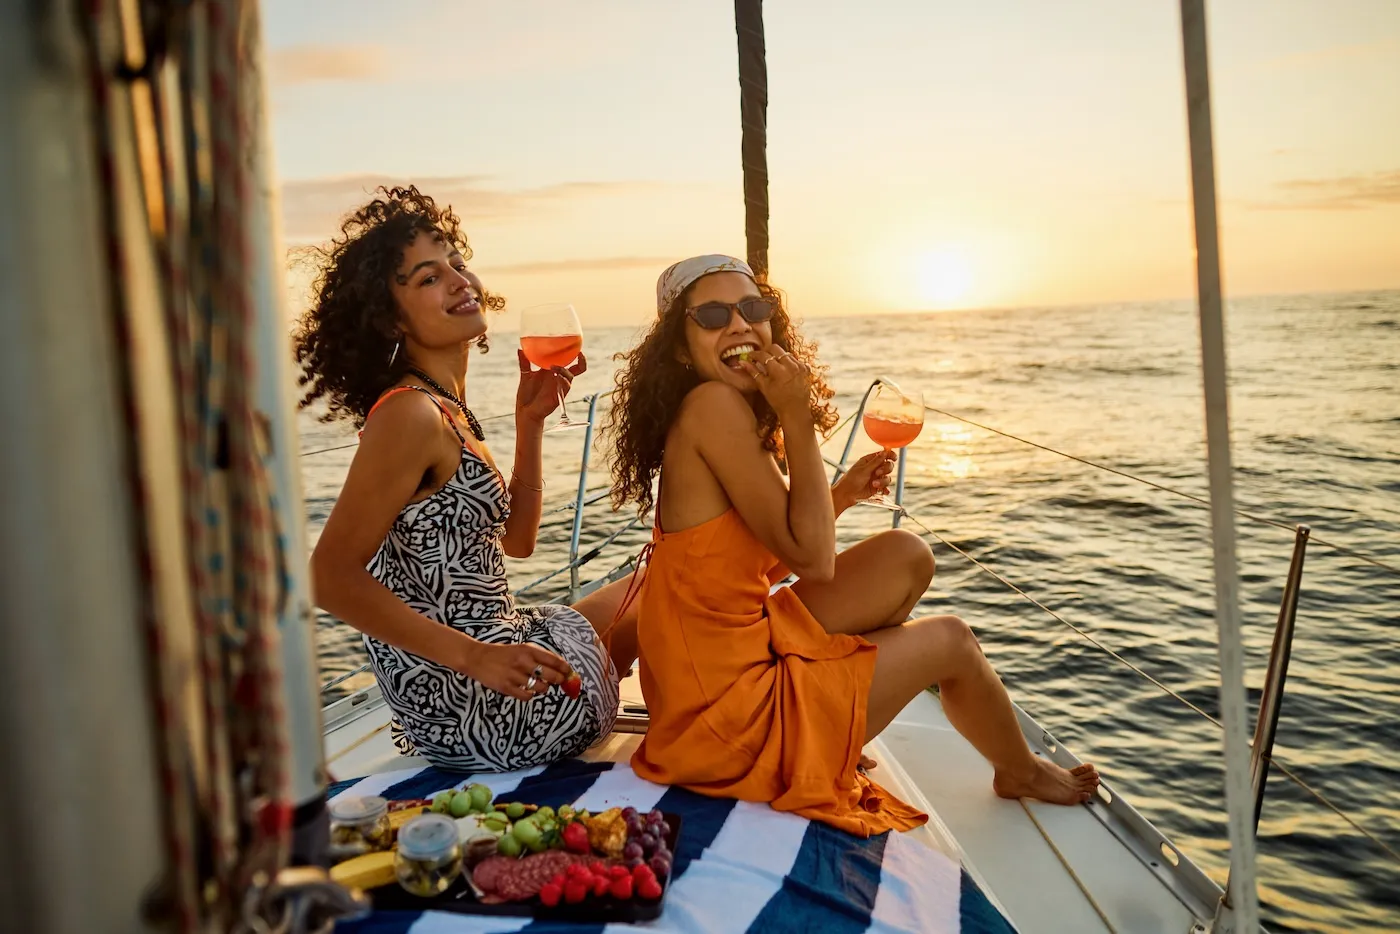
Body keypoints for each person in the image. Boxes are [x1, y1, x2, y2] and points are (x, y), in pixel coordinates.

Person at [605, 254, 1099, 834]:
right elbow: (812, 560)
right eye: (712, 315)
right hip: (724, 727)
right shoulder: (711, 408)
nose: (739, 325)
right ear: (681, 351)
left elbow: (746, 558)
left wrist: (837, 497)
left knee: (904, 555)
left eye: (752, 309)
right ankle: (1020, 772)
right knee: (952, 640)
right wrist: (795, 413)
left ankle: (841, 702)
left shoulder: (722, 410)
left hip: (714, 674)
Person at [294, 185, 636, 772]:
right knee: (669, 582)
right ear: (387, 317)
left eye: (455, 263)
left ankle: (619, 693)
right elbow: (326, 578)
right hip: (483, 708)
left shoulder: (443, 408)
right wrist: (477, 657)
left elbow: (520, 543)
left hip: (488, 677)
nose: (458, 280)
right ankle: (702, 745)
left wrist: (529, 423)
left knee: (655, 582)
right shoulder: (409, 413)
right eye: (427, 278)